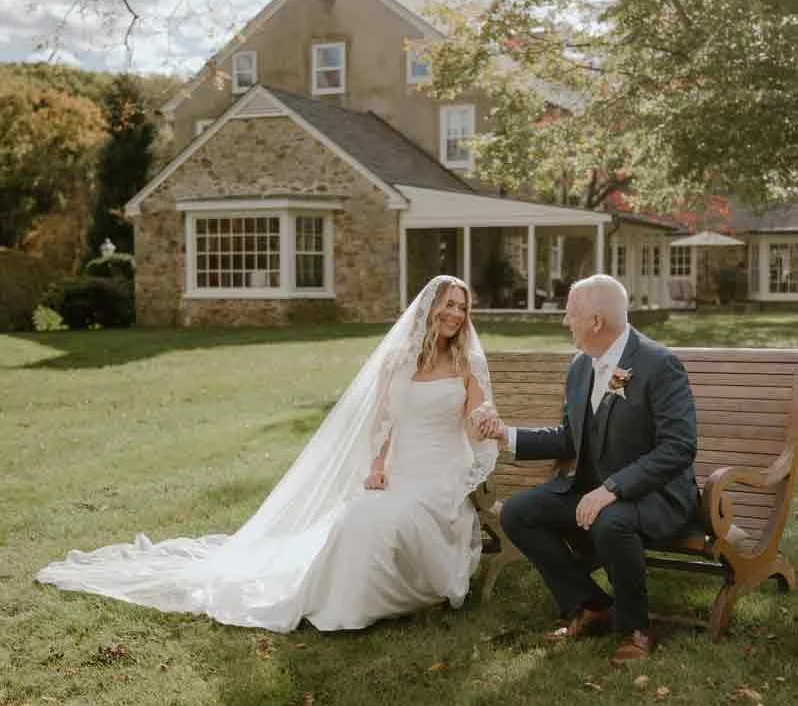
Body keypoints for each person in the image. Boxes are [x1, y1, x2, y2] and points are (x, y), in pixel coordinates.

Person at [36, 276, 498, 633]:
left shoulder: (467, 364)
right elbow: (383, 425)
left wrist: (486, 422)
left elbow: (476, 419)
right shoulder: (397, 362)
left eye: (462, 307)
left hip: (439, 477)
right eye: (448, 304)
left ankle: (366, 603)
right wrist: (377, 468)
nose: (455, 314)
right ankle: (337, 607)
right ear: (429, 308)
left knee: (386, 523)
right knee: (357, 519)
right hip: (399, 474)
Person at [477, 274, 701, 664]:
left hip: (657, 496)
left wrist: (612, 489)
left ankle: (635, 628)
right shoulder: (581, 366)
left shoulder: (660, 365)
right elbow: (571, 437)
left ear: (596, 321)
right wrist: (507, 436)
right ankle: (590, 604)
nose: (565, 321)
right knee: (519, 513)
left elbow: (678, 448)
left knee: (611, 521)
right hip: (592, 490)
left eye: (571, 313)